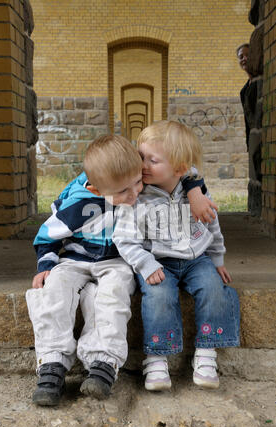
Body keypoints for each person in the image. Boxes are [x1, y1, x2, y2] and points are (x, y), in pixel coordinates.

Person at [26, 134, 212, 406]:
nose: (135, 193)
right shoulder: (78, 203)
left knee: (112, 294)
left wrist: (195, 192)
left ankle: (103, 363)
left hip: (117, 261)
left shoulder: (137, 181)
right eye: (123, 192)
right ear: (97, 192)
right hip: (75, 259)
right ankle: (52, 364)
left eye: (138, 182)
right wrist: (47, 262)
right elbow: (48, 234)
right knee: (52, 290)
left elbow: (184, 169)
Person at [113, 121, 240, 391]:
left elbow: (212, 226)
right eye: (141, 156)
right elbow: (123, 239)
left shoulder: (197, 193)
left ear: (180, 169)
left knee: (215, 289)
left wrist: (217, 260)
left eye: (153, 160)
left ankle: (207, 353)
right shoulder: (136, 196)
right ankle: (156, 358)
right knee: (159, 295)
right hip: (156, 261)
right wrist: (145, 264)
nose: (143, 165)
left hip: (197, 259)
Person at [237, 43, 253, 151]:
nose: (244, 59)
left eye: (248, 55)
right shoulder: (244, 91)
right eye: (241, 57)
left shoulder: (262, 82)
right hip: (253, 142)